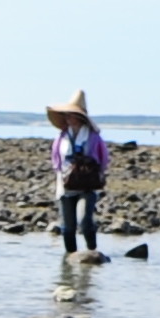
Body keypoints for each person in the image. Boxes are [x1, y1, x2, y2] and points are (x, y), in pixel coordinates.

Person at [45, 93, 110, 260]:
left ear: (80, 117)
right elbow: (56, 160)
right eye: (66, 115)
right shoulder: (61, 137)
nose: (68, 118)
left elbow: (103, 159)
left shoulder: (93, 137)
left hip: (87, 185)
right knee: (67, 227)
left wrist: (94, 174)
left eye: (71, 115)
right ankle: (70, 258)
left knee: (84, 221)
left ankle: (92, 252)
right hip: (65, 185)